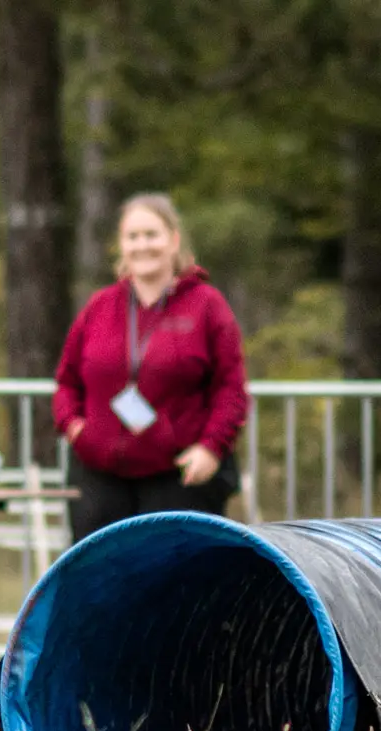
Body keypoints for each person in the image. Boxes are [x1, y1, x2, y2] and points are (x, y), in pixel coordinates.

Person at [52, 194, 250, 542]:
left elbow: (230, 388)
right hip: (101, 476)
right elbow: (67, 382)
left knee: (176, 581)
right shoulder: (100, 307)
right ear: (121, 246)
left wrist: (211, 447)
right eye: (133, 237)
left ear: (173, 240)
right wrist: (74, 427)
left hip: (178, 477)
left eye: (151, 235)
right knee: (101, 582)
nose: (142, 246)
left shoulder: (207, 306)